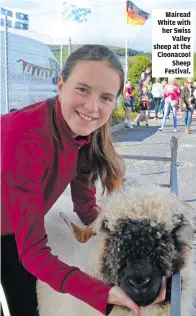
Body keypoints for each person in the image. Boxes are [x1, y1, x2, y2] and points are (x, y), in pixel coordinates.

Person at [1, 45, 166, 316]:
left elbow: (87, 211)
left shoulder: (85, 139)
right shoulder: (23, 136)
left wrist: (147, 250)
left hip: (11, 229)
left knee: (28, 308)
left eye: (105, 97)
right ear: (61, 84)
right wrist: (103, 293)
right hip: (16, 229)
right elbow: (33, 252)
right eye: (82, 89)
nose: (92, 106)